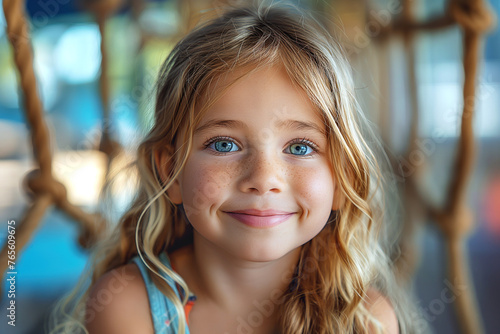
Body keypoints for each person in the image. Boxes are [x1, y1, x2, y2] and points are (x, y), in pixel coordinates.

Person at [51, 2, 417, 333]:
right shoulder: (131, 310)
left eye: (300, 147)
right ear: (171, 171)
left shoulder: (364, 320)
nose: (263, 180)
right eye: (224, 145)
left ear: (341, 178)